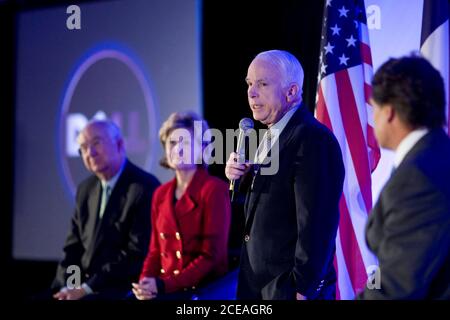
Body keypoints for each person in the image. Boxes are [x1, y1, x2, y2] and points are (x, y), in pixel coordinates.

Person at [225, 50, 344, 300]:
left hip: (288, 291)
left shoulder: (313, 140)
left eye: (263, 84)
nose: (251, 92)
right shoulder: (271, 135)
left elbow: (317, 224)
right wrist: (245, 179)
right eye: (249, 83)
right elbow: (273, 209)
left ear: (291, 92)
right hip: (259, 287)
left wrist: (302, 289)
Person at [359, 55, 450, 299]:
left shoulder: (419, 178)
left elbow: (395, 287)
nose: (373, 119)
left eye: (374, 108)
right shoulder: (434, 156)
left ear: (388, 112)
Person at [51, 119, 160, 300]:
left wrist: (85, 289)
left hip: (118, 290)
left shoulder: (144, 187)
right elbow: (74, 248)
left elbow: (135, 255)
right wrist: (71, 286)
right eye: (83, 148)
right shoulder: (85, 189)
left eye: (96, 143)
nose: (90, 153)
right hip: (82, 288)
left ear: (119, 144)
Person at [132, 111, 231, 300]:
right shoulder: (160, 193)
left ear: (202, 149)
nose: (177, 149)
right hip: (167, 289)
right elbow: (155, 251)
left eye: (185, 142)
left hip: (203, 291)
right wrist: (145, 282)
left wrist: (163, 285)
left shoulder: (214, 189)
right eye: (172, 142)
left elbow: (211, 255)